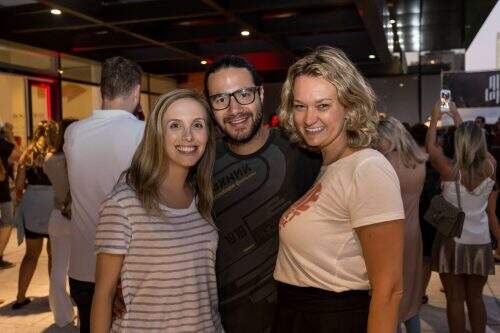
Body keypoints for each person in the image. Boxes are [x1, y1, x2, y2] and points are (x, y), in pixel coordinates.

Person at [274, 46, 405, 332]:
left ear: (349, 107)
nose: (309, 119)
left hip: (333, 321)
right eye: (300, 106)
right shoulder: (330, 165)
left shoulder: (367, 168)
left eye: (322, 105)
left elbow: (390, 289)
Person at [204, 55, 321, 332]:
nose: (234, 109)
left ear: (261, 93)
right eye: (220, 99)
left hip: (294, 320)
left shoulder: (302, 154)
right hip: (222, 321)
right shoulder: (201, 163)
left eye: (243, 94)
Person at [91, 89, 222, 332]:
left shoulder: (203, 197)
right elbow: (103, 295)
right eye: (175, 125)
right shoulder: (125, 203)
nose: (188, 136)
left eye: (197, 125)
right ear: (156, 134)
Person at [64, 56, 144, 332]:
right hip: (125, 271)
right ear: (136, 91)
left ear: (102, 90)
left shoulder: (73, 133)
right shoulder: (143, 133)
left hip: (82, 267)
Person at [427, 102, 500, 333]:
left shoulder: (448, 170)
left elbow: (430, 147)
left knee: (455, 300)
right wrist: (457, 115)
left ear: (458, 143)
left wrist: (436, 116)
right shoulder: (490, 167)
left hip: (452, 242)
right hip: (480, 242)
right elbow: (478, 150)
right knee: (476, 299)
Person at [378, 117, 427, 332]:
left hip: (391, 236)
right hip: (413, 233)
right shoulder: (418, 161)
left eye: (379, 139)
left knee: (392, 296)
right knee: (412, 292)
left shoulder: (387, 164)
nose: (376, 144)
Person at [12, 121, 58, 309]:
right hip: (52, 203)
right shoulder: (56, 154)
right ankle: (54, 299)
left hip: (32, 203)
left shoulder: (27, 154)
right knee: (53, 255)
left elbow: (19, 185)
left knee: (31, 254)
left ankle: (20, 297)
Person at [43, 119, 76, 327]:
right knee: (85, 268)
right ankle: (86, 310)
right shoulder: (78, 159)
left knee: (58, 269)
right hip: (78, 216)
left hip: (57, 215)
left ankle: (62, 316)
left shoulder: (49, 159)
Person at [410, 123, 441, 304]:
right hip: (432, 213)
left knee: (409, 256)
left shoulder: (407, 159)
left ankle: (411, 291)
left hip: (411, 211)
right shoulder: (434, 159)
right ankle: (420, 292)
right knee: (426, 258)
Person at [0, 122, 19, 270]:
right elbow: (16, 155)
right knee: (7, 222)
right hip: (2, 191)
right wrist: (10, 136)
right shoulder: (3, 143)